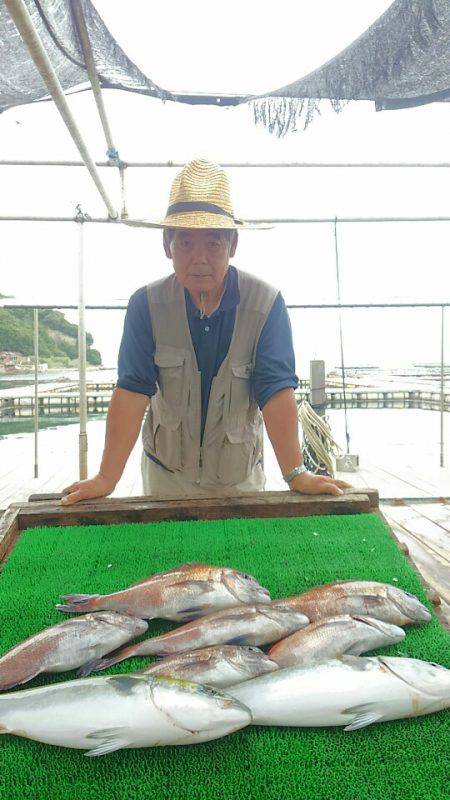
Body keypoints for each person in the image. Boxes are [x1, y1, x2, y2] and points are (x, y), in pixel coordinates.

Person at [62, 159, 351, 504]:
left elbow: (275, 389)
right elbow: (132, 390)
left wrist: (295, 474)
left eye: (213, 243)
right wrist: (107, 478)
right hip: (165, 477)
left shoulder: (266, 304)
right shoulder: (145, 305)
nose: (199, 258)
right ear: (167, 245)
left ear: (233, 245)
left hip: (240, 481)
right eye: (185, 243)